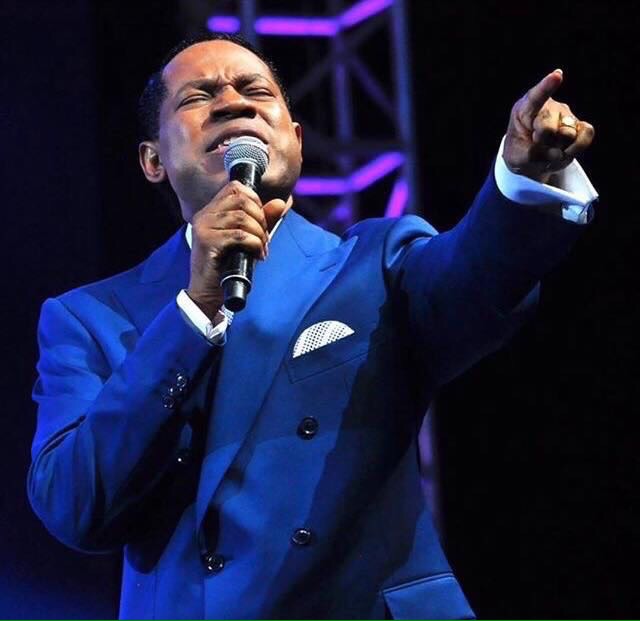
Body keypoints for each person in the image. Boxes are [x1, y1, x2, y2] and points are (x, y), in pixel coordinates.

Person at [28, 33, 597, 619]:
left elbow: (477, 276)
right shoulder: (90, 318)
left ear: (296, 141)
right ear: (153, 161)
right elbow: (74, 504)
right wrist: (194, 310)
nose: (233, 103)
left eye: (255, 91)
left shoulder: (377, 261)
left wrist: (520, 180)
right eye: (199, 96)